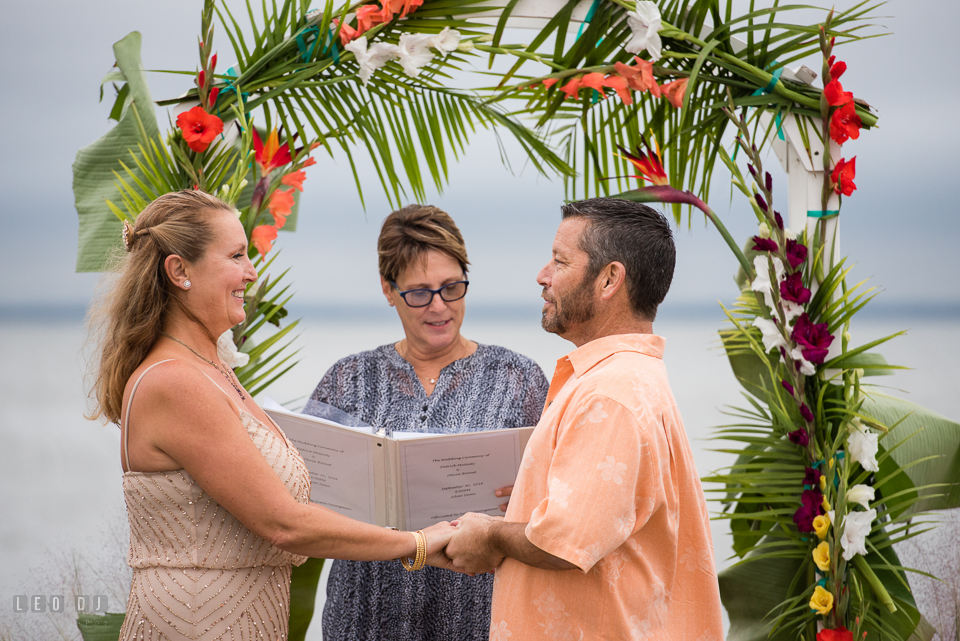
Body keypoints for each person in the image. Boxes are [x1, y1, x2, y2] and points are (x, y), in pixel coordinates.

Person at [87, 190, 458, 641]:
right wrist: (418, 543)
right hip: (198, 621)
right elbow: (283, 523)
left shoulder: (211, 368)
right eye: (237, 256)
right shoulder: (176, 382)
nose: (251, 271)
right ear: (179, 271)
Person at [446, 197, 724, 640]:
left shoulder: (611, 393)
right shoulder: (630, 378)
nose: (542, 275)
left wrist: (490, 537)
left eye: (559, 261)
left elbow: (563, 540)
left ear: (610, 278)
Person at [302, 204, 550, 641]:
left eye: (452, 288)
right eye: (419, 292)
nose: (439, 307)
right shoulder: (347, 380)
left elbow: (559, 502)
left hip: (479, 617)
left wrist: (530, 497)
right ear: (388, 289)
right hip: (364, 617)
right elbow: (303, 501)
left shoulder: (519, 378)